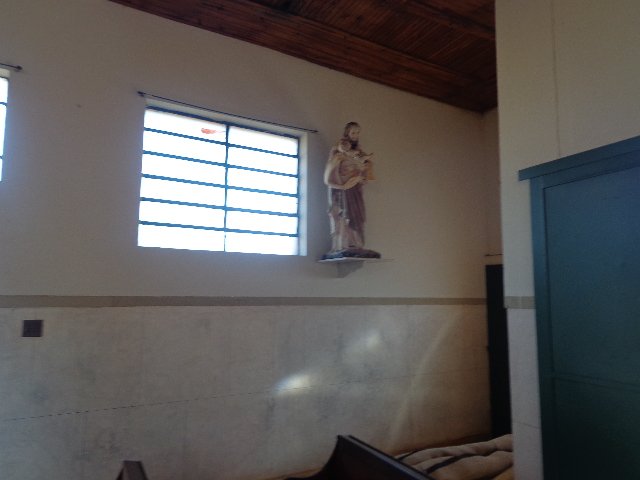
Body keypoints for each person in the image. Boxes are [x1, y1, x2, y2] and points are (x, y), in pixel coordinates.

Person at [322, 122, 380, 259]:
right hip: (342, 190)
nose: (355, 135)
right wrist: (344, 183)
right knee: (343, 214)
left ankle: (355, 244)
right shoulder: (338, 151)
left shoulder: (359, 152)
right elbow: (331, 173)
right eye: (353, 132)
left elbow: (364, 169)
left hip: (355, 189)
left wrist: (363, 173)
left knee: (357, 215)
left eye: (358, 133)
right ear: (347, 133)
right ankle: (342, 245)